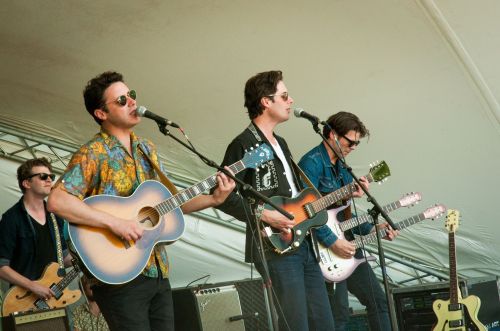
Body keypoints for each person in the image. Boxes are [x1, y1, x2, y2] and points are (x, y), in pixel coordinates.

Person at [47, 71, 235, 331]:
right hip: (119, 276)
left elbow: (171, 202)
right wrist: (115, 223)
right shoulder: (93, 153)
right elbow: (57, 201)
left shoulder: (147, 149)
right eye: (122, 100)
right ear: (101, 113)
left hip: (157, 271)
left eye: (132, 95)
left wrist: (213, 199)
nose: (132, 102)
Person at [217, 70, 335, 330]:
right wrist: (262, 213)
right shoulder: (242, 144)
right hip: (275, 247)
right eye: (284, 95)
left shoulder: (281, 142)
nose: (291, 100)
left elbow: (295, 194)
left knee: (324, 322)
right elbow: (222, 197)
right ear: (265, 101)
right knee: (296, 324)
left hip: (303, 242)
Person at [298, 111, 397, 331]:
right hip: (323, 246)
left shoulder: (343, 166)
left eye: (356, 144)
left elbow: (344, 213)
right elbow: (306, 211)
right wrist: (333, 241)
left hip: (345, 240)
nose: (352, 148)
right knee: (338, 313)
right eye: (350, 142)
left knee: (379, 301)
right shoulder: (311, 163)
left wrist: (374, 226)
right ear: (332, 135)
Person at [0, 158, 72, 302]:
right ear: (26, 183)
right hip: (24, 300)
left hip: (54, 299)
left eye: (51, 177)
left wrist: (86, 260)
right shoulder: (11, 219)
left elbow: (64, 258)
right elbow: (1, 266)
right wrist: (33, 286)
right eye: (43, 176)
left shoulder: (56, 216)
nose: (49, 180)